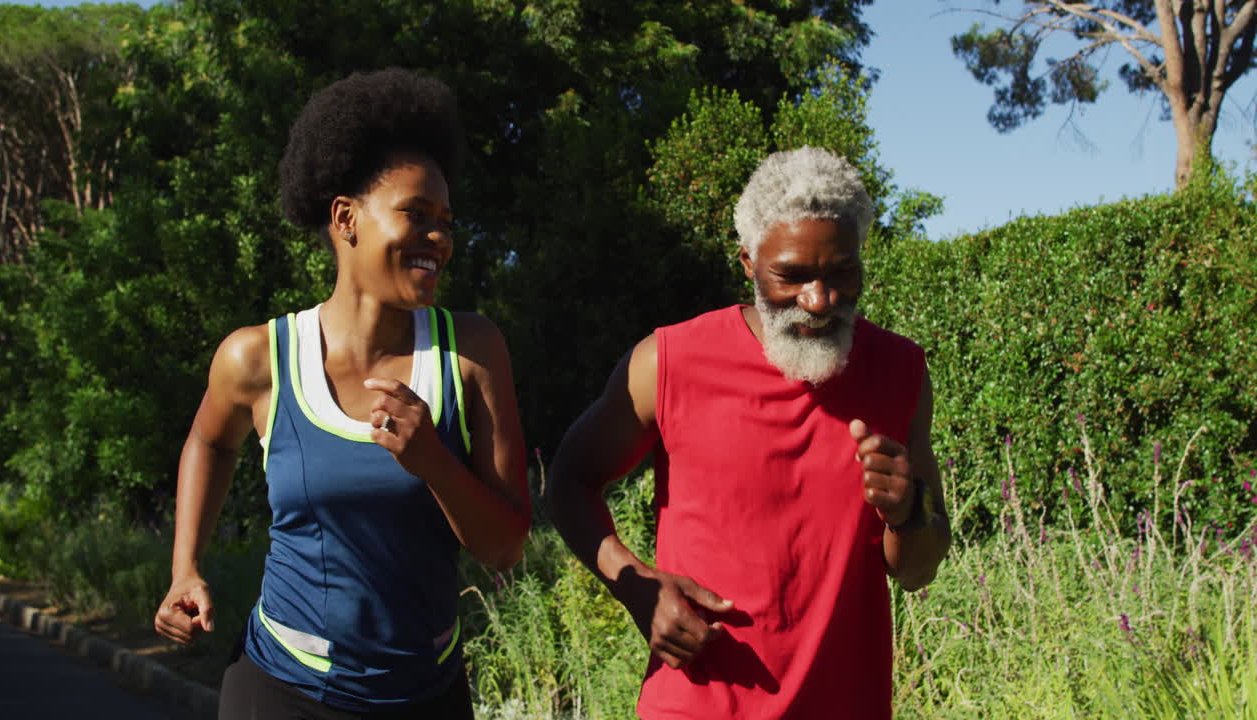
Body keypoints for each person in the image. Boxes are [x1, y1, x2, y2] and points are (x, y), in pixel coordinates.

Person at [153, 68, 530, 719]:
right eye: (415, 214)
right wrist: (185, 565)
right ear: (346, 218)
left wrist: (433, 462)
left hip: (427, 695)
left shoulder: (470, 352)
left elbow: (504, 547)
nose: (438, 237)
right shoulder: (260, 358)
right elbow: (209, 441)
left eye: (445, 221)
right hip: (282, 690)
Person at [546, 146, 951, 719]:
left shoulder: (901, 373)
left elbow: (918, 569)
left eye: (842, 273)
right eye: (792, 275)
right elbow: (568, 480)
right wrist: (635, 584)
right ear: (747, 261)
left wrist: (907, 513)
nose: (819, 301)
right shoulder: (669, 362)